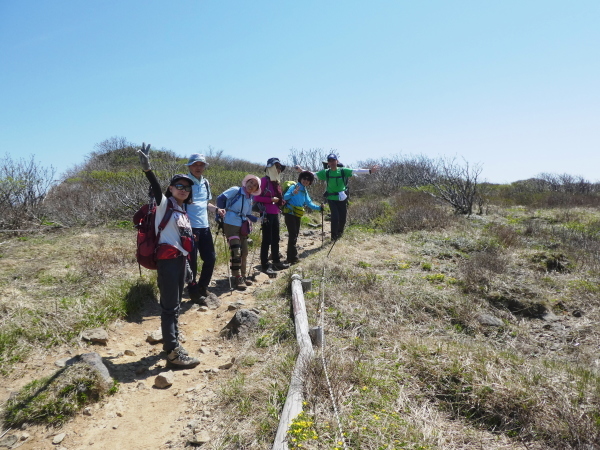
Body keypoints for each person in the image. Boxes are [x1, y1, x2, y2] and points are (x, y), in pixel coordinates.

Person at [137, 143, 200, 368]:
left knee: (174, 305)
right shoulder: (165, 205)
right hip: (168, 262)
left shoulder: (182, 211)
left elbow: (182, 242)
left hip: (179, 260)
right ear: (171, 189)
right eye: (178, 185)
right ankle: (172, 353)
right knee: (169, 306)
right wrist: (148, 170)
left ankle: (172, 340)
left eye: (187, 187)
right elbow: (155, 189)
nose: (183, 189)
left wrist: (189, 269)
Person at [295, 153, 378, 241]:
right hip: (331, 198)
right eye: (330, 161)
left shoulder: (342, 170)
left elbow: (355, 171)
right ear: (328, 163)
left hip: (342, 198)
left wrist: (369, 171)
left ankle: (340, 234)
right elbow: (313, 174)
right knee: (335, 217)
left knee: (343, 217)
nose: (332, 162)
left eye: (333, 160)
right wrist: (301, 170)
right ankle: (333, 237)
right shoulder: (326, 172)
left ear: (336, 161)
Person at [184, 153, 224, 300]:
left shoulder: (205, 183)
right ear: (189, 166)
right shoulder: (185, 182)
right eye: (195, 164)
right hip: (189, 227)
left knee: (210, 258)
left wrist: (216, 209)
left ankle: (202, 286)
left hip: (204, 226)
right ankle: (193, 290)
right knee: (192, 261)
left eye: (201, 165)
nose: (198, 167)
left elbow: (206, 204)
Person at [216, 175, 261, 290]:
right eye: (250, 182)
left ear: (256, 189)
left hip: (243, 225)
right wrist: (220, 214)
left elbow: (248, 214)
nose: (251, 185)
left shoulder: (250, 198)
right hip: (230, 222)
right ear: (246, 182)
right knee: (236, 250)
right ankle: (237, 277)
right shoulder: (236, 190)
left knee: (244, 251)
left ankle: (244, 276)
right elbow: (220, 198)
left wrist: (260, 219)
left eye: (255, 185)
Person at [253, 158, 290, 275]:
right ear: (271, 168)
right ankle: (265, 265)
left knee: (275, 238)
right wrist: (270, 200)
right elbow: (256, 197)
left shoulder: (276, 182)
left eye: (280, 167)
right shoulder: (264, 181)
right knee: (267, 240)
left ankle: (276, 261)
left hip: (275, 213)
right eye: (277, 167)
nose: (279, 170)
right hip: (266, 213)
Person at [282, 171, 324, 264]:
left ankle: (290, 257)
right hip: (290, 213)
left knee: (295, 235)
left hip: (297, 214)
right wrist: (293, 193)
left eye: (308, 179)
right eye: (304, 178)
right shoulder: (294, 187)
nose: (306, 180)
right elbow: (285, 197)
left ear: (310, 182)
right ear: (300, 178)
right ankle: (292, 258)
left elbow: (309, 203)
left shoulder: (304, 190)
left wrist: (319, 208)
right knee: (293, 235)